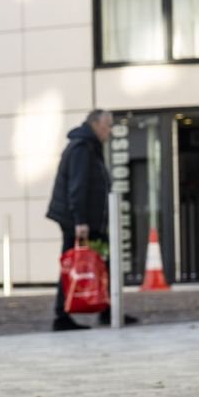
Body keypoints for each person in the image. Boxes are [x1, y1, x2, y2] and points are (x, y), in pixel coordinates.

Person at [46, 110, 135, 331]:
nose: (110, 131)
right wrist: (80, 221)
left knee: (102, 262)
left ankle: (106, 309)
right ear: (95, 124)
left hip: (88, 221)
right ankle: (62, 315)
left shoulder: (89, 146)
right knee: (73, 265)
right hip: (79, 222)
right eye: (107, 125)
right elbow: (77, 186)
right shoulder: (82, 148)